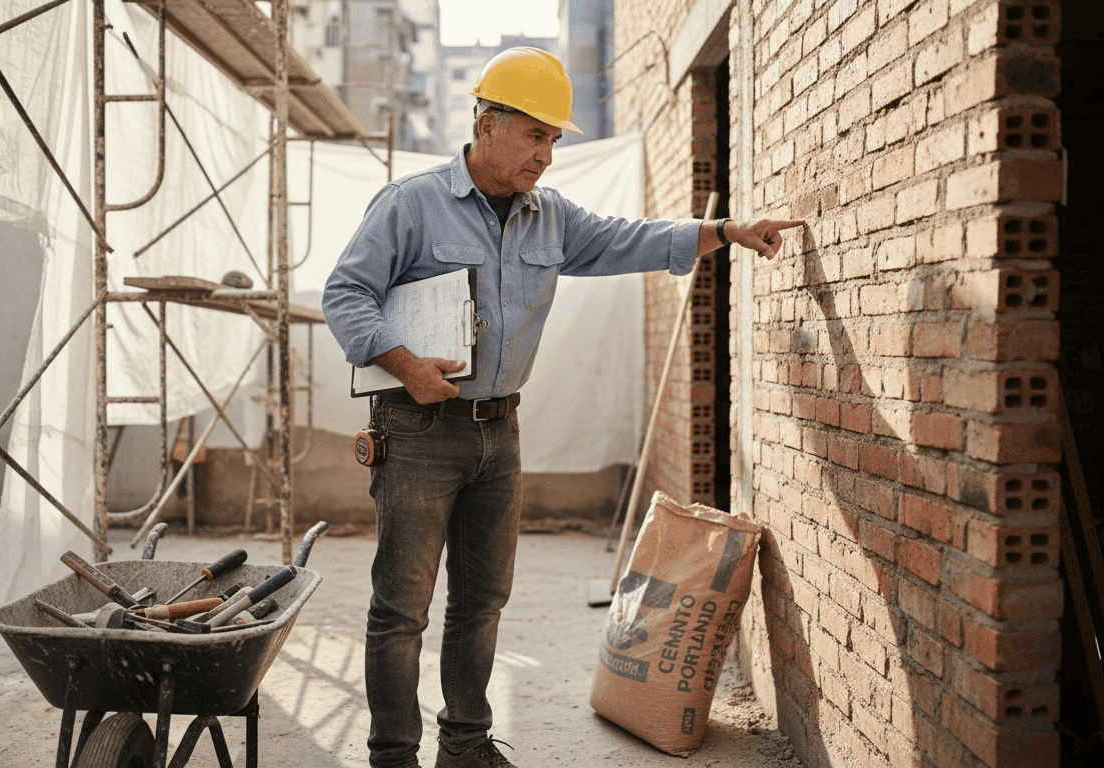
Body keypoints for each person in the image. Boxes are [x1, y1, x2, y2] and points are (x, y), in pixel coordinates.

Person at [322, 46, 802, 768]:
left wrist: (725, 231)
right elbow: (345, 295)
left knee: (481, 603)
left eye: (553, 139)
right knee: (402, 610)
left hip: (499, 432)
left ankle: (466, 746)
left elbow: (626, 239)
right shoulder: (410, 205)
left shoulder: (549, 216)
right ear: (487, 123)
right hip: (416, 429)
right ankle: (393, 756)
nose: (546, 154)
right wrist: (405, 365)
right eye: (535, 135)